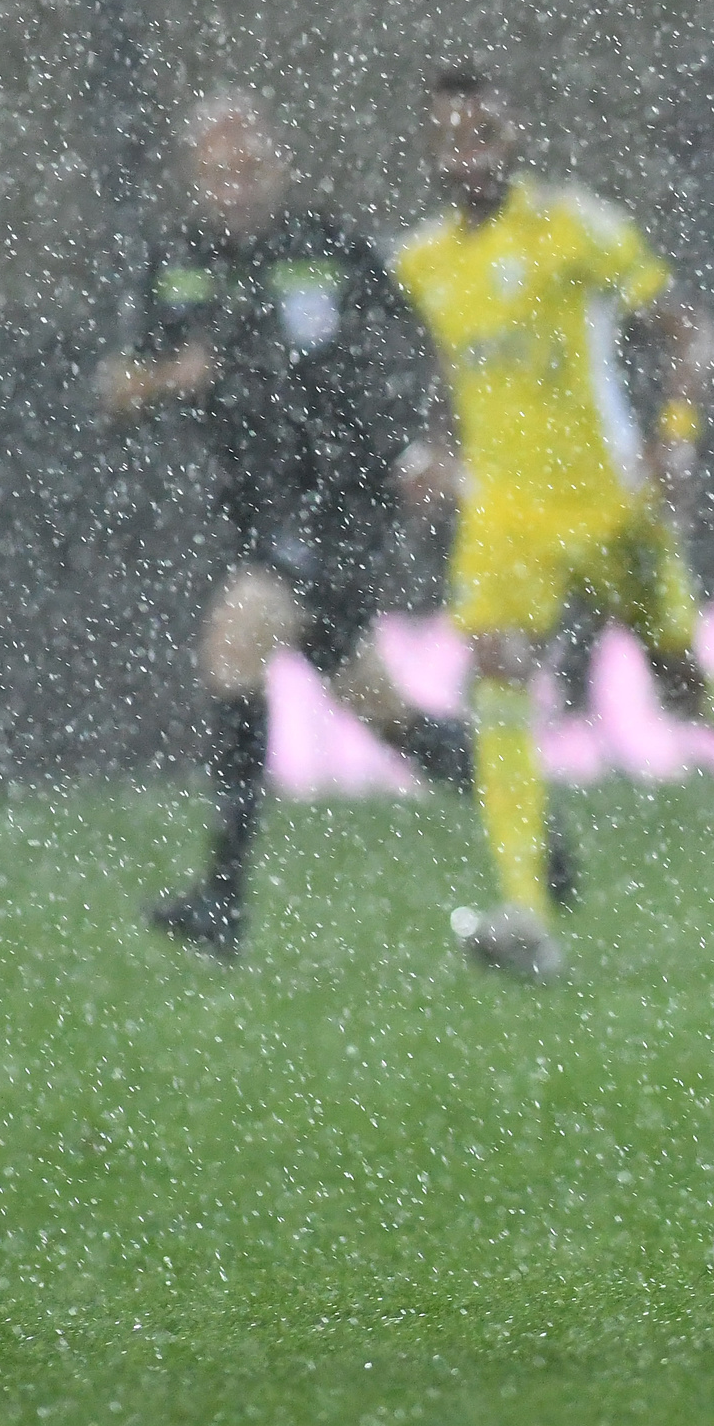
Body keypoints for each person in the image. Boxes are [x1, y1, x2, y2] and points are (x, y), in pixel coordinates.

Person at [394, 66, 714, 982]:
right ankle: (527, 913)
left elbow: (689, 330)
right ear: (432, 152)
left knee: (678, 683)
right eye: (451, 132)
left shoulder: (571, 227)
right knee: (500, 675)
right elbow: (442, 375)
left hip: (608, 504)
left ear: (512, 135)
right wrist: (428, 451)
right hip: (505, 516)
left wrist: (676, 437)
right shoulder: (421, 264)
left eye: (483, 126)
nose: (468, 145)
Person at [107, 92, 545, 956]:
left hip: (343, 497)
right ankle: (538, 835)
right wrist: (166, 379)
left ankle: (224, 899)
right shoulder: (178, 267)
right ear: (196, 181)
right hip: (257, 510)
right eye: (218, 173)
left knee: (235, 642)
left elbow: (440, 341)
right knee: (382, 712)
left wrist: (431, 444)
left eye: (249, 168)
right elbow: (117, 387)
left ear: (279, 166)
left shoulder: (331, 250)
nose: (235, 186)